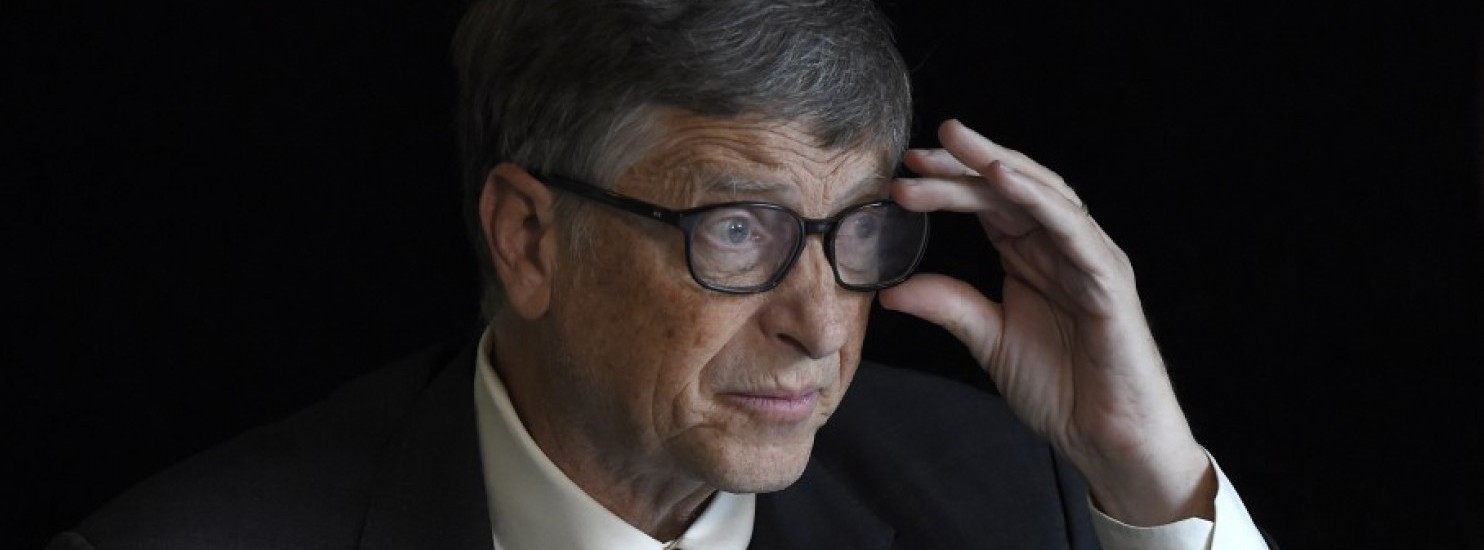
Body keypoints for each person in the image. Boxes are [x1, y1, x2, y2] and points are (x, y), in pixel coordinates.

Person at [50, 0, 1274, 548]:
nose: (818, 327)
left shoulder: (1014, 498)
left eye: (855, 228)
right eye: (738, 230)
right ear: (528, 238)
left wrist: (1143, 472)